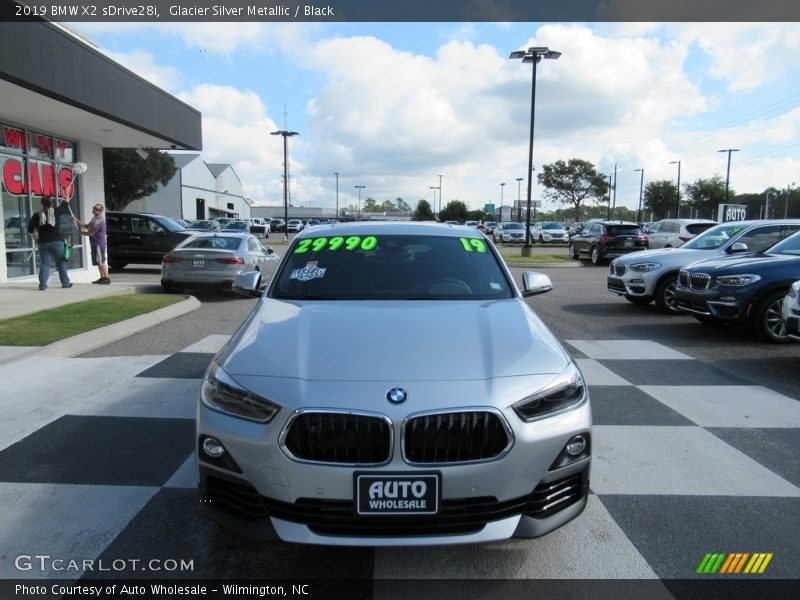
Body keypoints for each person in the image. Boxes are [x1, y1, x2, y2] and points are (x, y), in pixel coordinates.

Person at [27, 195, 73, 290]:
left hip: (43, 242)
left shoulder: (37, 215)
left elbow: (30, 230)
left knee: (45, 264)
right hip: (57, 241)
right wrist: (67, 199)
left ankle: (43, 285)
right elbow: (64, 206)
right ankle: (65, 283)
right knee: (61, 263)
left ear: (42, 203)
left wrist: (36, 239)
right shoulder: (56, 211)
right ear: (51, 203)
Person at [73, 203, 109, 284]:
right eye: (93, 208)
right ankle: (102, 277)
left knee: (101, 261)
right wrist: (76, 220)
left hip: (99, 244)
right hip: (95, 244)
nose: (93, 210)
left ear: (100, 211)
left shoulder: (99, 220)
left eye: (96, 209)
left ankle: (106, 278)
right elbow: (87, 226)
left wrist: (81, 233)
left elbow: (92, 233)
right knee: (99, 261)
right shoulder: (94, 219)